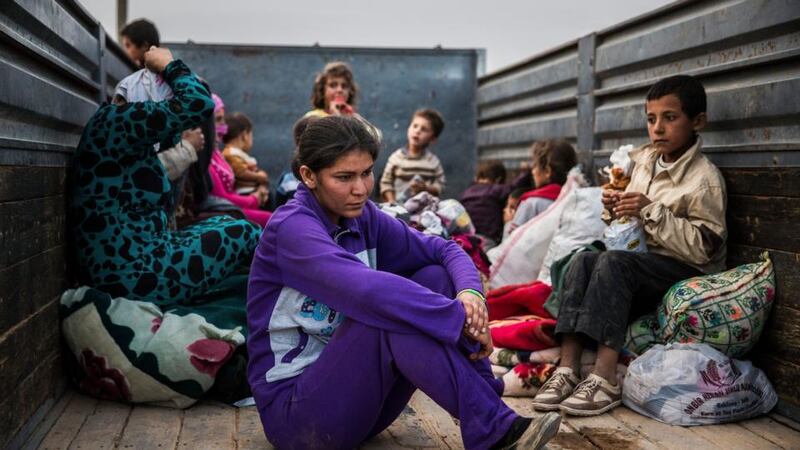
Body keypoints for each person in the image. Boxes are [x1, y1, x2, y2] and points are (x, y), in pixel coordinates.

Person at [246, 115, 561, 450]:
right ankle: (492, 428)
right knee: (387, 315)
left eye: (366, 173)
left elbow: (444, 249)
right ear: (309, 176)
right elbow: (367, 292)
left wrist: (471, 298)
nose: (361, 188)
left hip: (364, 407)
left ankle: (489, 409)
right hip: (297, 418)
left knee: (435, 277)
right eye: (344, 177)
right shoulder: (293, 229)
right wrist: (458, 319)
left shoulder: (363, 216)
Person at [532, 74, 727, 416]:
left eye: (670, 118)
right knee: (582, 260)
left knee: (613, 263)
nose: (658, 129)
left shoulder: (703, 178)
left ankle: (604, 377)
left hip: (683, 271)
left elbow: (704, 249)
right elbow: (630, 226)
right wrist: (616, 210)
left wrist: (649, 209)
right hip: (642, 264)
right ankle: (568, 368)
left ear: (698, 122)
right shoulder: (646, 163)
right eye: (652, 120)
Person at [69, 47, 260, 304]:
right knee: (243, 233)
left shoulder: (122, 133)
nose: (176, 131)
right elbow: (199, 103)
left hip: (139, 260)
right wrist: (169, 64)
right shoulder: (119, 122)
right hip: (133, 277)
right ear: (150, 99)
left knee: (223, 224)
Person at [207, 95, 271, 227]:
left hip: (235, 207)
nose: (224, 128)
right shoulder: (206, 157)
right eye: (218, 120)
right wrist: (254, 198)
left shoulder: (216, 153)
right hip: (224, 213)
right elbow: (222, 199)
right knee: (275, 221)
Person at [507, 139, 577, 235]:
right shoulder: (576, 199)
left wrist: (509, 222)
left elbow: (511, 243)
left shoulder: (531, 204)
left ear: (547, 171)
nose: (532, 172)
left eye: (535, 166)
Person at [379, 108, 446, 203]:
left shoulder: (433, 161)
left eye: (424, 129)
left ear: (433, 139)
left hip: (424, 208)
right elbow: (386, 182)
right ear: (408, 128)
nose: (417, 131)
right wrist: (392, 202)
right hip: (399, 207)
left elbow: (440, 185)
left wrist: (426, 188)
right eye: (415, 126)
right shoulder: (397, 157)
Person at [460, 160, 532, 245]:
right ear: (499, 179)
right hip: (487, 238)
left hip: (466, 238)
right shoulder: (495, 190)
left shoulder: (466, 193)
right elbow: (514, 187)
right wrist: (525, 172)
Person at [222, 112, 269, 194]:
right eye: (251, 134)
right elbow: (240, 172)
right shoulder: (230, 153)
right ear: (244, 135)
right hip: (245, 193)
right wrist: (259, 176)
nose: (252, 139)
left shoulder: (236, 153)